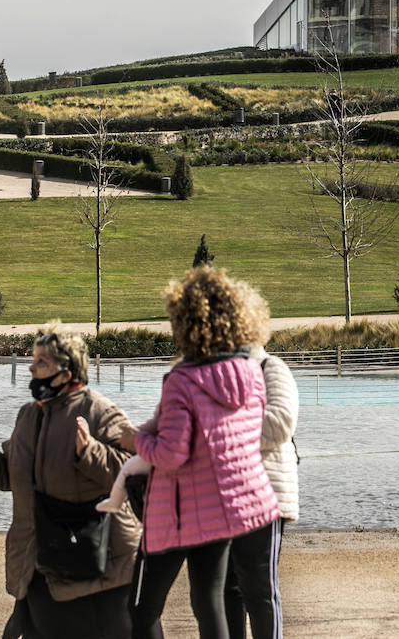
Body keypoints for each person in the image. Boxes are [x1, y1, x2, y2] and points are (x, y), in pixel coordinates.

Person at [124, 266, 280, 639]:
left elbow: (173, 453)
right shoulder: (250, 373)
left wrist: (133, 441)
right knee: (210, 602)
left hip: (182, 510)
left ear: (186, 322)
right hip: (242, 506)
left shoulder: (182, 380)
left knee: (141, 611)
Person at [0, 330, 139, 639]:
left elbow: (134, 473)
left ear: (65, 373)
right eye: (32, 360)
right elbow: (10, 473)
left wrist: (90, 453)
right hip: (42, 560)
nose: (31, 368)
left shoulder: (98, 412)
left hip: (99, 564)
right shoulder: (29, 415)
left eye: (41, 362)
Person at [225, 340, 299, 639]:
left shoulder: (272, 369)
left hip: (266, 496)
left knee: (259, 589)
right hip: (224, 496)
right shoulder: (218, 373)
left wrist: (227, 430)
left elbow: (281, 423)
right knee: (227, 590)